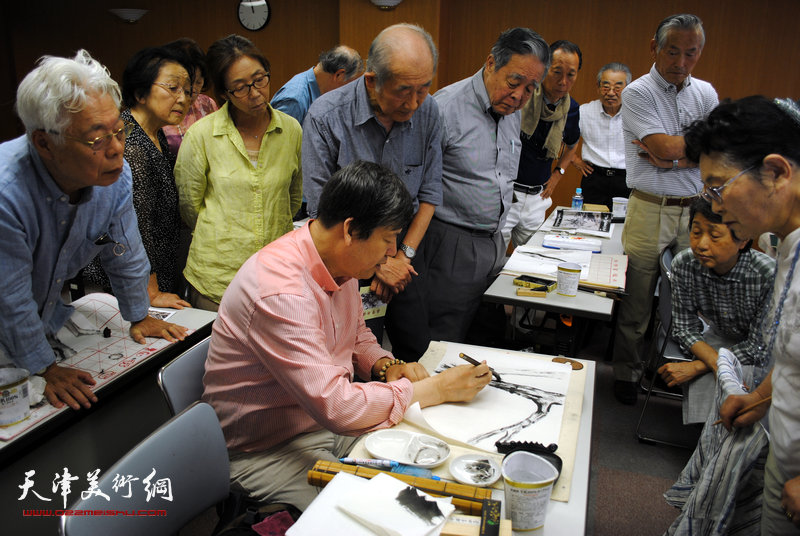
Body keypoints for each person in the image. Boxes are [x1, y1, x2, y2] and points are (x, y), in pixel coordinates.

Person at [202, 160, 492, 511]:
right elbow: (337, 405)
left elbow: (355, 335)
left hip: (320, 428)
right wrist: (433, 389)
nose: (391, 252)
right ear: (351, 229)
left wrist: (386, 366)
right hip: (265, 451)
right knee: (367, 515)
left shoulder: (341, 261)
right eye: (387, 239)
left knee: (433, 469)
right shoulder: (282, 292)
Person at [0, 50, 187, 411]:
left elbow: (125, 249)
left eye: (119, 130)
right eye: (97, 139)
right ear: (44, 143)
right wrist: (45, 368)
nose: (117, 149)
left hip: (44, 314)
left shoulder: (113, 178)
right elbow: (9, 298)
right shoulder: (8, 195)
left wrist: (139, 314)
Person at [685, 96, 800, 535]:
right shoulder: (787, 243)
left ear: (774, 172)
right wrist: (761, 397)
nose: (714, 207)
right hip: (783, 456)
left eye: (718, 188)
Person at [302, 23, 442, 361]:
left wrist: (400, 257)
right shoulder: (325, 118)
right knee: (355, 355)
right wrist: (377, 262)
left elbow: (431, 193)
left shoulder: (429, 111)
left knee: (417, 349)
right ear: (371, 80)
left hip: (406, 250)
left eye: (423, 89)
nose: (414, 103)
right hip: (347, 252)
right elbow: (322, 213)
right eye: (403, 91)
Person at [417, 28, 549, 347]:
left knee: (486, 340)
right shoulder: (443, 108)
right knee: (444, 342)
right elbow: (415, 186)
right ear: (491, 63)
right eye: (513, 82)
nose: (519, 96)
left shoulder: (512, 111)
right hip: (450, 243)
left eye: (531, 89)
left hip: (494, 243)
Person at [612, 14, 718, 404]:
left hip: (694, 211)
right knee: (638, 300)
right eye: (673, 51)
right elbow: (663, 147)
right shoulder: (637, 92)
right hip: (649, 207)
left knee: (687, 300)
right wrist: (679, 153)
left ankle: (670, 370)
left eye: (691, 53)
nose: (681, 61)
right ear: (654, 47)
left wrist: (675, 160)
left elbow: (712, 151)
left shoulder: (706, 94)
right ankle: (625, 373)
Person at [175, 34, 302, 311]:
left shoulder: (291, 130)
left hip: (275, 276)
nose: (255, 93)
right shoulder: (202, 135)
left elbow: (292, 199)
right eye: (240, 88)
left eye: (260, 80)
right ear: (223, 93)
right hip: (218, 278)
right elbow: (189, 207)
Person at [82, 45, 193, 308]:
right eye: (173, 88)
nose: (183, 98)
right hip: (133, 279)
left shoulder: (155, 133)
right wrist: (149, 290)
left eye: (187, 91)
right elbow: (134, 227)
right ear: (140, 92)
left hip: (156, 265)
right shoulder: (129, 144)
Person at [659, 198, 774, 424]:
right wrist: (714, 363)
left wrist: (699, 366)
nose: (701, 244)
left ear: (742, 240)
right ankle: (708, 437)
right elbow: (684, 328)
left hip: (766, 350)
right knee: (715, 374)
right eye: (696, 232)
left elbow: (758, 345)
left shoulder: (766, 274)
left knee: (732, 381)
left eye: (714, 236)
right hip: (720, 337)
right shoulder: (685, 263)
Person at [502, 40, 582, 248]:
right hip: (507, 193)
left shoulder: (571, 108)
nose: (563, 81)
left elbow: (572, 144)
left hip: (538, 197)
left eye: (570, 74)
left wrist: (558, 174)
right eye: (557, 72)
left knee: (534, 258)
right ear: (545, 69)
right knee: (493, 257)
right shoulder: (522, 97)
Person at [572, 62, 632, 209]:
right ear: (598, 87)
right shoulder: (584, 112)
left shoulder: (635, 115)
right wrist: (575, 160)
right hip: (594, 178)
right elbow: (560, 138)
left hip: (626, 179)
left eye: (618, 87)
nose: (611, 92)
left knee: (623, 226)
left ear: (628, 89)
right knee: (589, 224)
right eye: (606, 86)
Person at [270, 45, 363, 125]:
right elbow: (279, 144)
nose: (351, 91)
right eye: (352, 84)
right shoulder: (295, 99)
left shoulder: (324, 92)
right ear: (339, 75)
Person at [162, 38, 219, 157]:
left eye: (198, 82)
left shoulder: (207, 104)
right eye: (188, 83)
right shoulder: (161, 107)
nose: (193, 90)